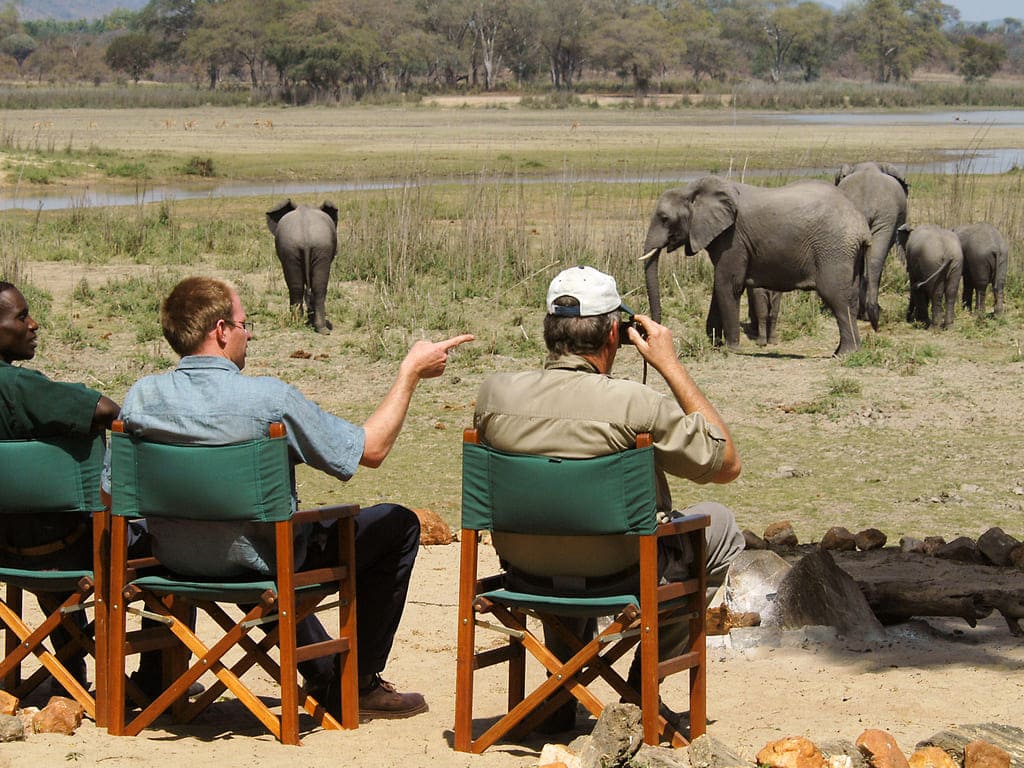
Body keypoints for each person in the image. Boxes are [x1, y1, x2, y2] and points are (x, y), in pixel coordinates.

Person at [118, 276, 473, 720]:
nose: (250, 335)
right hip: (263, 562)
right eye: (246, 325)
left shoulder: (140, 399)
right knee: (396, 523)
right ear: (222, 330)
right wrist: (409, 374)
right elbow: (371, 449)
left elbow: (115, 493)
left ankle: (158, 676)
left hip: (174, 560)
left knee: (238, 525)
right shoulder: (268, 399)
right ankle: (356, 684)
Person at [473, 265, 744, 732]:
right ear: (613, 335)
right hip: (621, 574)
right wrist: (669, 364)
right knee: (718, 525)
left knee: (563, 530)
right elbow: (726, 464)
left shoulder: (493, 395)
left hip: (526, 572)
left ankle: (558, 691)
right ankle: (640, 694)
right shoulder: (636, 404)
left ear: (548, 331)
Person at [0, 281, 119, 694]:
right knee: (166, 543)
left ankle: (70, 672)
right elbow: (105, 411)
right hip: (65, 545)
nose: (33, 324)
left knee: (40, 531)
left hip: (7, 548)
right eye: (19, 317)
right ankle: (160, 681)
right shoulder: (17, 388)